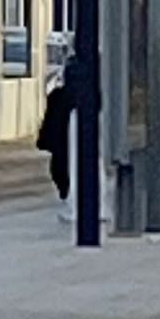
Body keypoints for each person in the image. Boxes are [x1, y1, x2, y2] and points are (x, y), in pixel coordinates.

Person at [37, 44, 93, 204]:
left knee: (60, 168)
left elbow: (50, 122)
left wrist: (45, 140)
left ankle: (66, 192)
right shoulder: (90, 99)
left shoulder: (58, 97)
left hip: (61, 144)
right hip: (70, 142)